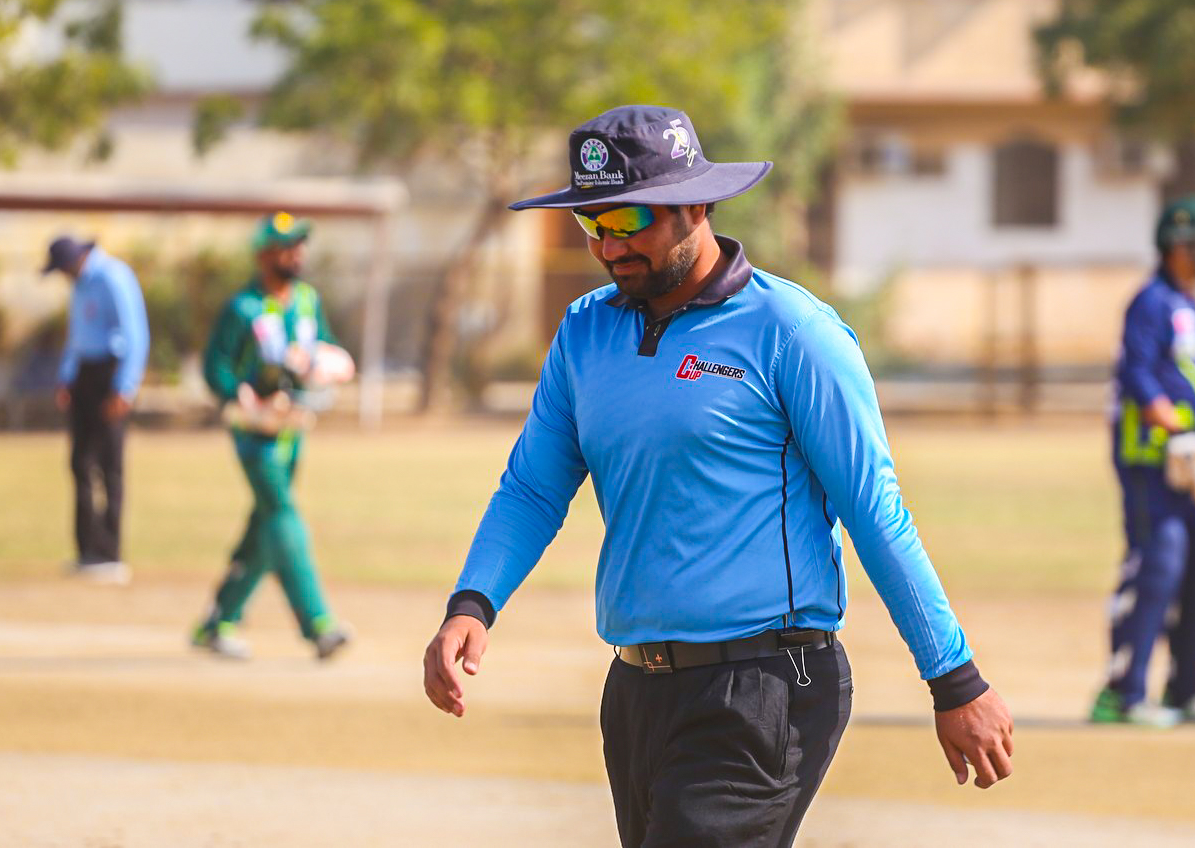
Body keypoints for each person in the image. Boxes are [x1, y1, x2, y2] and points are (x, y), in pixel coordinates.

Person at [421, 105, 1014, 847]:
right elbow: (533, 489)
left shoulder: (793, 332)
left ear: (695, 205)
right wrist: (472, 603)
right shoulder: (584, 330)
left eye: (628, 219)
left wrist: (953, 678)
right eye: (591, 224)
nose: (609, 245)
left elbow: (874, 509)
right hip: (635, 688)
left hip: (766, 686)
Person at [1089, 195, 1195, 727]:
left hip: (1189, 466)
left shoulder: (1190, 305)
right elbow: (1137, 376)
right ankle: (1123, 693)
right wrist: (1175, 429)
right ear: (1182, 247)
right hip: (1149, 461)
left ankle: (1185, 692)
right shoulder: (1150, 302)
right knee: (1157, 565)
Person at [191, 213, 352, 661]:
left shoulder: (308, 300)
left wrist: (326, 367)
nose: (296, 255)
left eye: (300, 246)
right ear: (264, 255)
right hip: (255, 435)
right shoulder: (243, 307)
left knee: (264, 529)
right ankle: (318, 624)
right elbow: (216, 367)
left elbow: (326, 347)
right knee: (284, 517)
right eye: (286, 247)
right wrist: (239, 396)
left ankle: (217, 621)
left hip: (293, 432)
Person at [45, 235, 149, 585]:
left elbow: (135, 334)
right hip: (84, 377)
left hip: (110, 376)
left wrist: (125, 386)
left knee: (110, 466)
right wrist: (66, 377)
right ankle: (87, 550)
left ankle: (110, 552)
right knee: (80, 462)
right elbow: (77, 337)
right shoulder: (79, 284)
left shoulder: (112, 276)